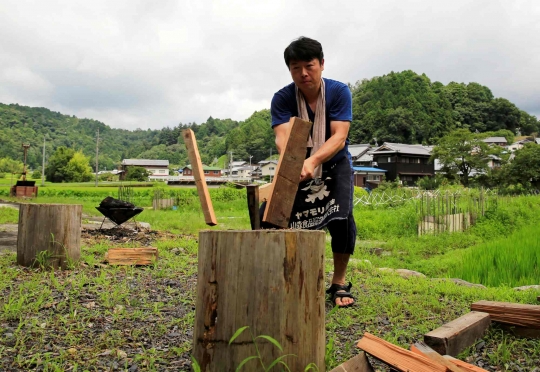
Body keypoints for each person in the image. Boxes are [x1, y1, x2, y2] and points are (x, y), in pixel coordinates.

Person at [270, 36, 356, 308]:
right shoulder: (282, 98)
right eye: (296, 68)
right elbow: (283, 139)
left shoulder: (339, 92)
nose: (303, 73)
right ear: (290, 70)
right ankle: (288, 278)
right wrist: (296, 163)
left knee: (341, 218)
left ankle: (338, 282)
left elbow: (339, 136)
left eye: (309, 66)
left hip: (334, 161)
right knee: (277, 217)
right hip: (296, 165)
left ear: (321, 64)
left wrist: (314, 160)